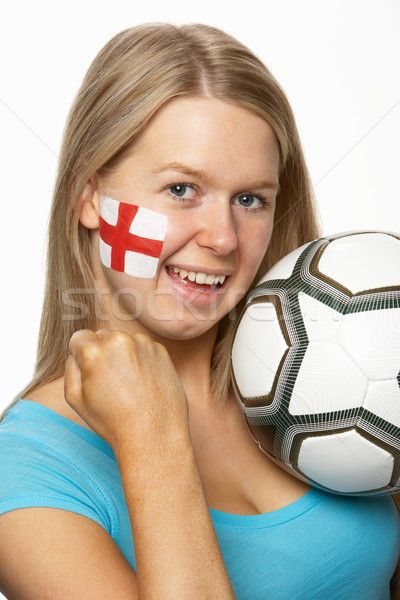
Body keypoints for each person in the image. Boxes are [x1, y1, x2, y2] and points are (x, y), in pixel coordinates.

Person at [0, 23, 398, 599]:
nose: (223, 238)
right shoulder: (26, 471)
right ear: (90, 195)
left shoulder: (333, 372)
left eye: (250, 199)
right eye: (183, 189)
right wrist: (151, 438)